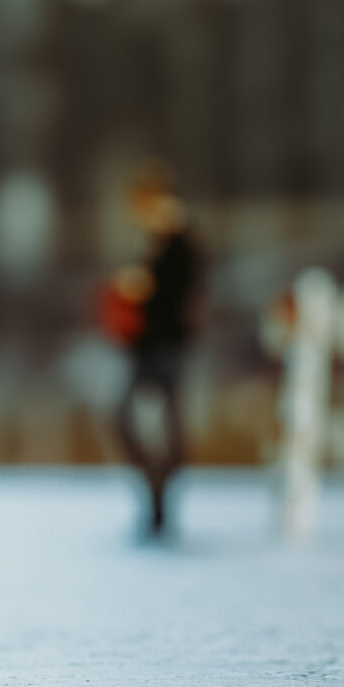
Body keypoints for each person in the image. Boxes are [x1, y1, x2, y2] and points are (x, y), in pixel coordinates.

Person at [103, 166, 202, 538]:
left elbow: (181, 297)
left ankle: (162, 494)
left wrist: (146, 289)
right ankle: (155, 488)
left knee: (164, 423)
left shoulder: (179, 241)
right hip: (144, 346)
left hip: (168, 346)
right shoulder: (152, 241)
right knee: (129, 420)